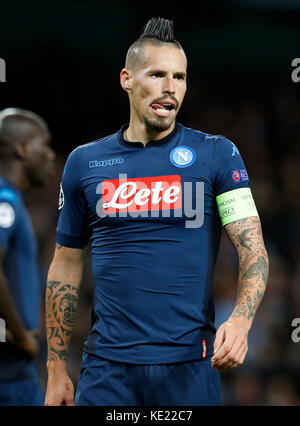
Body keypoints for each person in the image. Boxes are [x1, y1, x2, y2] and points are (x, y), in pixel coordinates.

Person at [45, 17, 269, 406]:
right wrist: (56, 369)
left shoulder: (217, 154)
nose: (171, 89)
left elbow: (253, 249)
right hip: (106, 373)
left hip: (189, 370)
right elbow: (65, 264)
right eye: (158, 75)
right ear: (127, 79)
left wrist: (241, 319)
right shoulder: (84, 162)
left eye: (180, 77)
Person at [0, 108, 55, 405]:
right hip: (8, 373)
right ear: (21, 149)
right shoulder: (4, 198)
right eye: (43, 145)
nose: (49, 155)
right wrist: (20, 335)